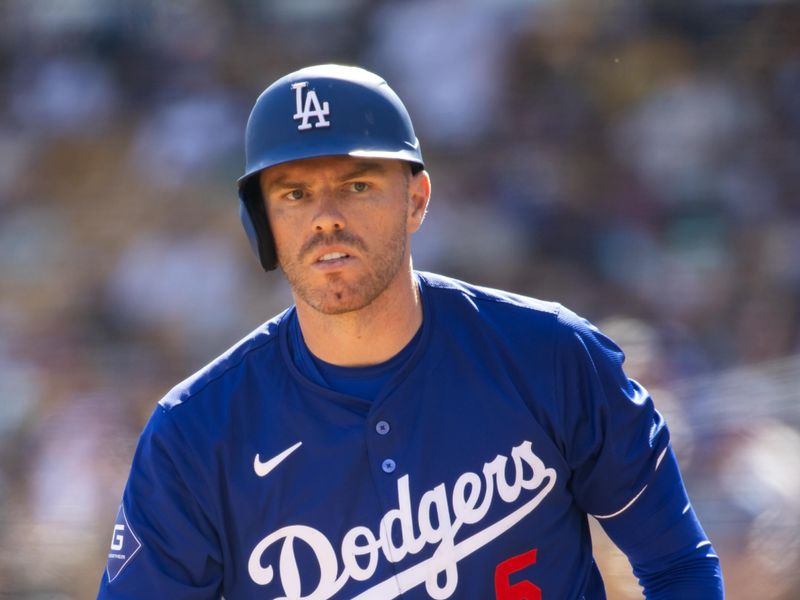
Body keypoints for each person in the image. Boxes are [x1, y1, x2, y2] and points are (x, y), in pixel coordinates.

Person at [97, 64, 724, 599]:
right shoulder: (195, 435)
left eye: (357, 184)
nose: (326, 218)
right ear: (262, 222)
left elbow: (678, 566)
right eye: (294, 194)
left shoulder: (552, 356)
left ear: (417, 199)